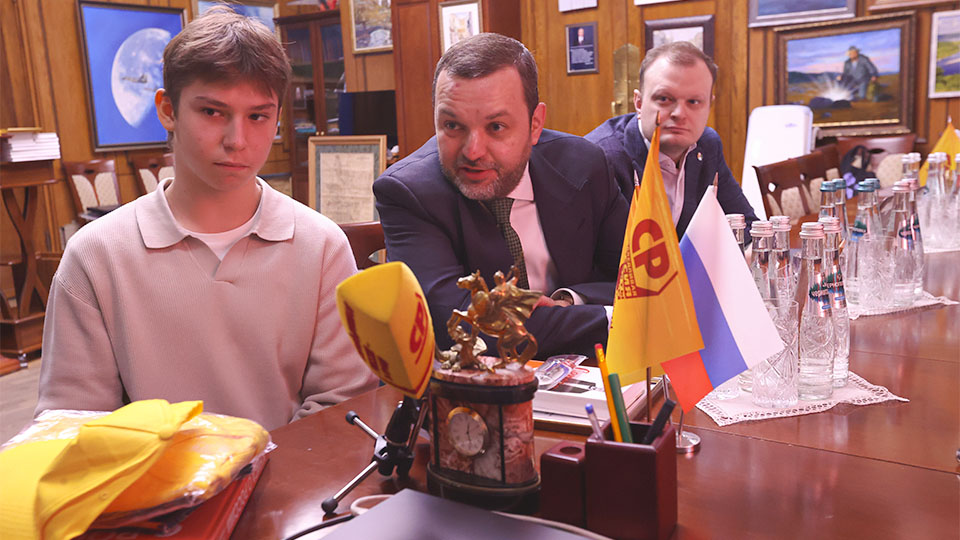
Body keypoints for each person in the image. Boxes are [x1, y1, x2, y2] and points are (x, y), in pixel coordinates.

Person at [35, 7, 378, 431]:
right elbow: (74, 424)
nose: (237, 140)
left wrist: (257, 467)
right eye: (213, 112)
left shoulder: (321, 246)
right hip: (151, 474)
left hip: (292, 471)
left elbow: (343, 406)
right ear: (168, 110)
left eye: (258, 116)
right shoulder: (96, 255)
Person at [373, 33, 628, 358]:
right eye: (452, 126)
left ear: (535, 125)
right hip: (477, 382)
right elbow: (460, 328)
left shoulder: (584, 165)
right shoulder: (409, 193)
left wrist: (567, 301)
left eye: (495, 127)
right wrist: (611, 320)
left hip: (597, 370)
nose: (473, 151)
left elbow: (638, 282)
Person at [585, 41, 757, 241]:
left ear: (709, 105)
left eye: (694, 101)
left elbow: (746, 227)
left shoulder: (707, 144)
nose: (679, 113)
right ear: (639, 103)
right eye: (665, 99)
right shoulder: (599, 158)